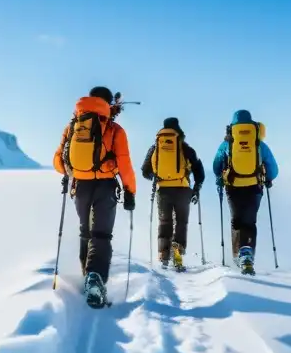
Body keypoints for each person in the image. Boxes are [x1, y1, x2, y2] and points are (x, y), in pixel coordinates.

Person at [53, 86, 137, 307]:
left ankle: (86, 276)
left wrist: (76, 170)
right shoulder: (115, 130)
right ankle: (96, 278)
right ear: (109, 104)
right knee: (101, 234)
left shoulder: (73, 126)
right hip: (105, 186)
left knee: (85, 231)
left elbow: (58, 162)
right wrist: (130, 191)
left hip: (79, 186)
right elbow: (125, 164)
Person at [212, 109, 279, 275]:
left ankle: (237, 255)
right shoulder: (259, 143)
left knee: (236, 220)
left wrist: (220, 176)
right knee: (249, 221)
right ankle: (247, 256)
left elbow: (216, 164)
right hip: (254, 186)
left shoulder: (228, 143)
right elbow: (273, 168)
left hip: (232, 186)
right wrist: (268, 178)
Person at [140, 117, 205, 271]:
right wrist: (196, 188)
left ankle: (163, 254)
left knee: (164, 222)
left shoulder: (155, 147)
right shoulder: (184, 147)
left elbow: (145, 170)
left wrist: (154, 177)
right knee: (181, 222)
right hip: (182, 189)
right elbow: (198, 169)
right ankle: (177, 249)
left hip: (163, 190)